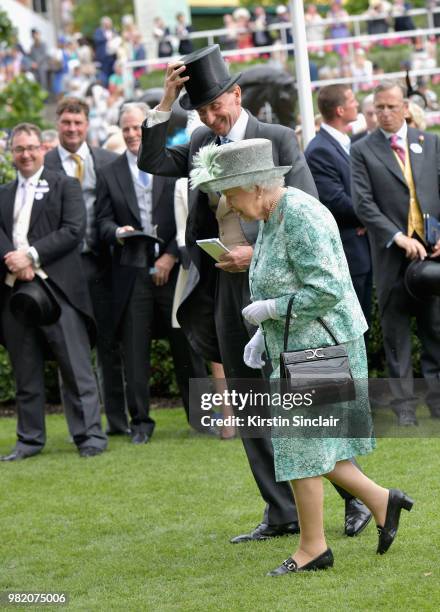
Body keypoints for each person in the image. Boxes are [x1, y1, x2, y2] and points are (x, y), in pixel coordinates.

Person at [138, 44, 371, 542]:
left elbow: (304, 211)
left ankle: (358, 500)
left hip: (287, 284)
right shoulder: (199, 138)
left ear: (236, 94)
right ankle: (281, 509)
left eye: (215, 106)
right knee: (249, 401)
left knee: (316, 396)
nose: (209, 117)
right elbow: (154, 159)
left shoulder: (279, 138)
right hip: (228, 288)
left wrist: (256, 251)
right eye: (200, 110)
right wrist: (165, 104)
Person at [190, 137, 413, 574]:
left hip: (322, 344)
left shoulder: (300, 215)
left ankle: (313, 547)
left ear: (256, 186)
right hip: (301, 343)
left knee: (302, 446)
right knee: (316, 446)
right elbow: (284, 277)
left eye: (232, 194)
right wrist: (265, 333)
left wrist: (271, 311)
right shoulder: (273, 214)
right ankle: (382, 502)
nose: (229, 205)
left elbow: (326, 289)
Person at [96, 102, 208, 443]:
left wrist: (171, 256)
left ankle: (202, 417)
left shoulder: (169, 162)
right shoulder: (109, 172)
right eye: (126, 128)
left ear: (148, 128)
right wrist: (117, 232)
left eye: (137, 127)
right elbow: (100, 222)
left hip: (172, 270)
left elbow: (190, 215)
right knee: (134, 350)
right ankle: (141, 423)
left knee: (187, 345)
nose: (131, 134)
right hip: (132, 272)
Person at [0, 123, 107, 460]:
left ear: (42, 148)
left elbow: (74, 230)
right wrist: (14, 262)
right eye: (19, 149)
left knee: (76, 369)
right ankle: (29, 440)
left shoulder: (66, 185)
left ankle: (89, 436)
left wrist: (30, 256)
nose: (26, 154)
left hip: (58, 289)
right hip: (14, 291)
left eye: (31, 147)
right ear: (11, 153)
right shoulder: (2, 193)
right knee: (25, 368)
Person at [351, 80, 440, 426]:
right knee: (396, 331)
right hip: (391, 256)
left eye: (391, 107)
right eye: (378, 108)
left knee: (435, 327)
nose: (384, 114)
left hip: (431, 255)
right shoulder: (361, 149)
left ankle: (436, 400)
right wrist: (397, 237)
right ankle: (404, 406)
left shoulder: (429, 143)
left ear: (404, 107)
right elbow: (363, 204)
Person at [44, 97, 128, 436]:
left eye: (78, 123)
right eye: (66, 123)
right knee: (71, 349)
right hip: (62, 269)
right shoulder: (44, 163)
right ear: (58, 124)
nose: (72, 129)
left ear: (88, 124)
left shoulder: (106, 161)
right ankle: (81, 427)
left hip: (102, 265)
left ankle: (119, 424)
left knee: (109, 346)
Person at [305, 85, 372, 326]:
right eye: (353, 100)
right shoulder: (319, 150)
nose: (358, 104)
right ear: (341, 110)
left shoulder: (347, 143)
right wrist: (371, 217)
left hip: (362, 247)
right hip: (348, 251)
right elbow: (337, 201)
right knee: (352, 327)